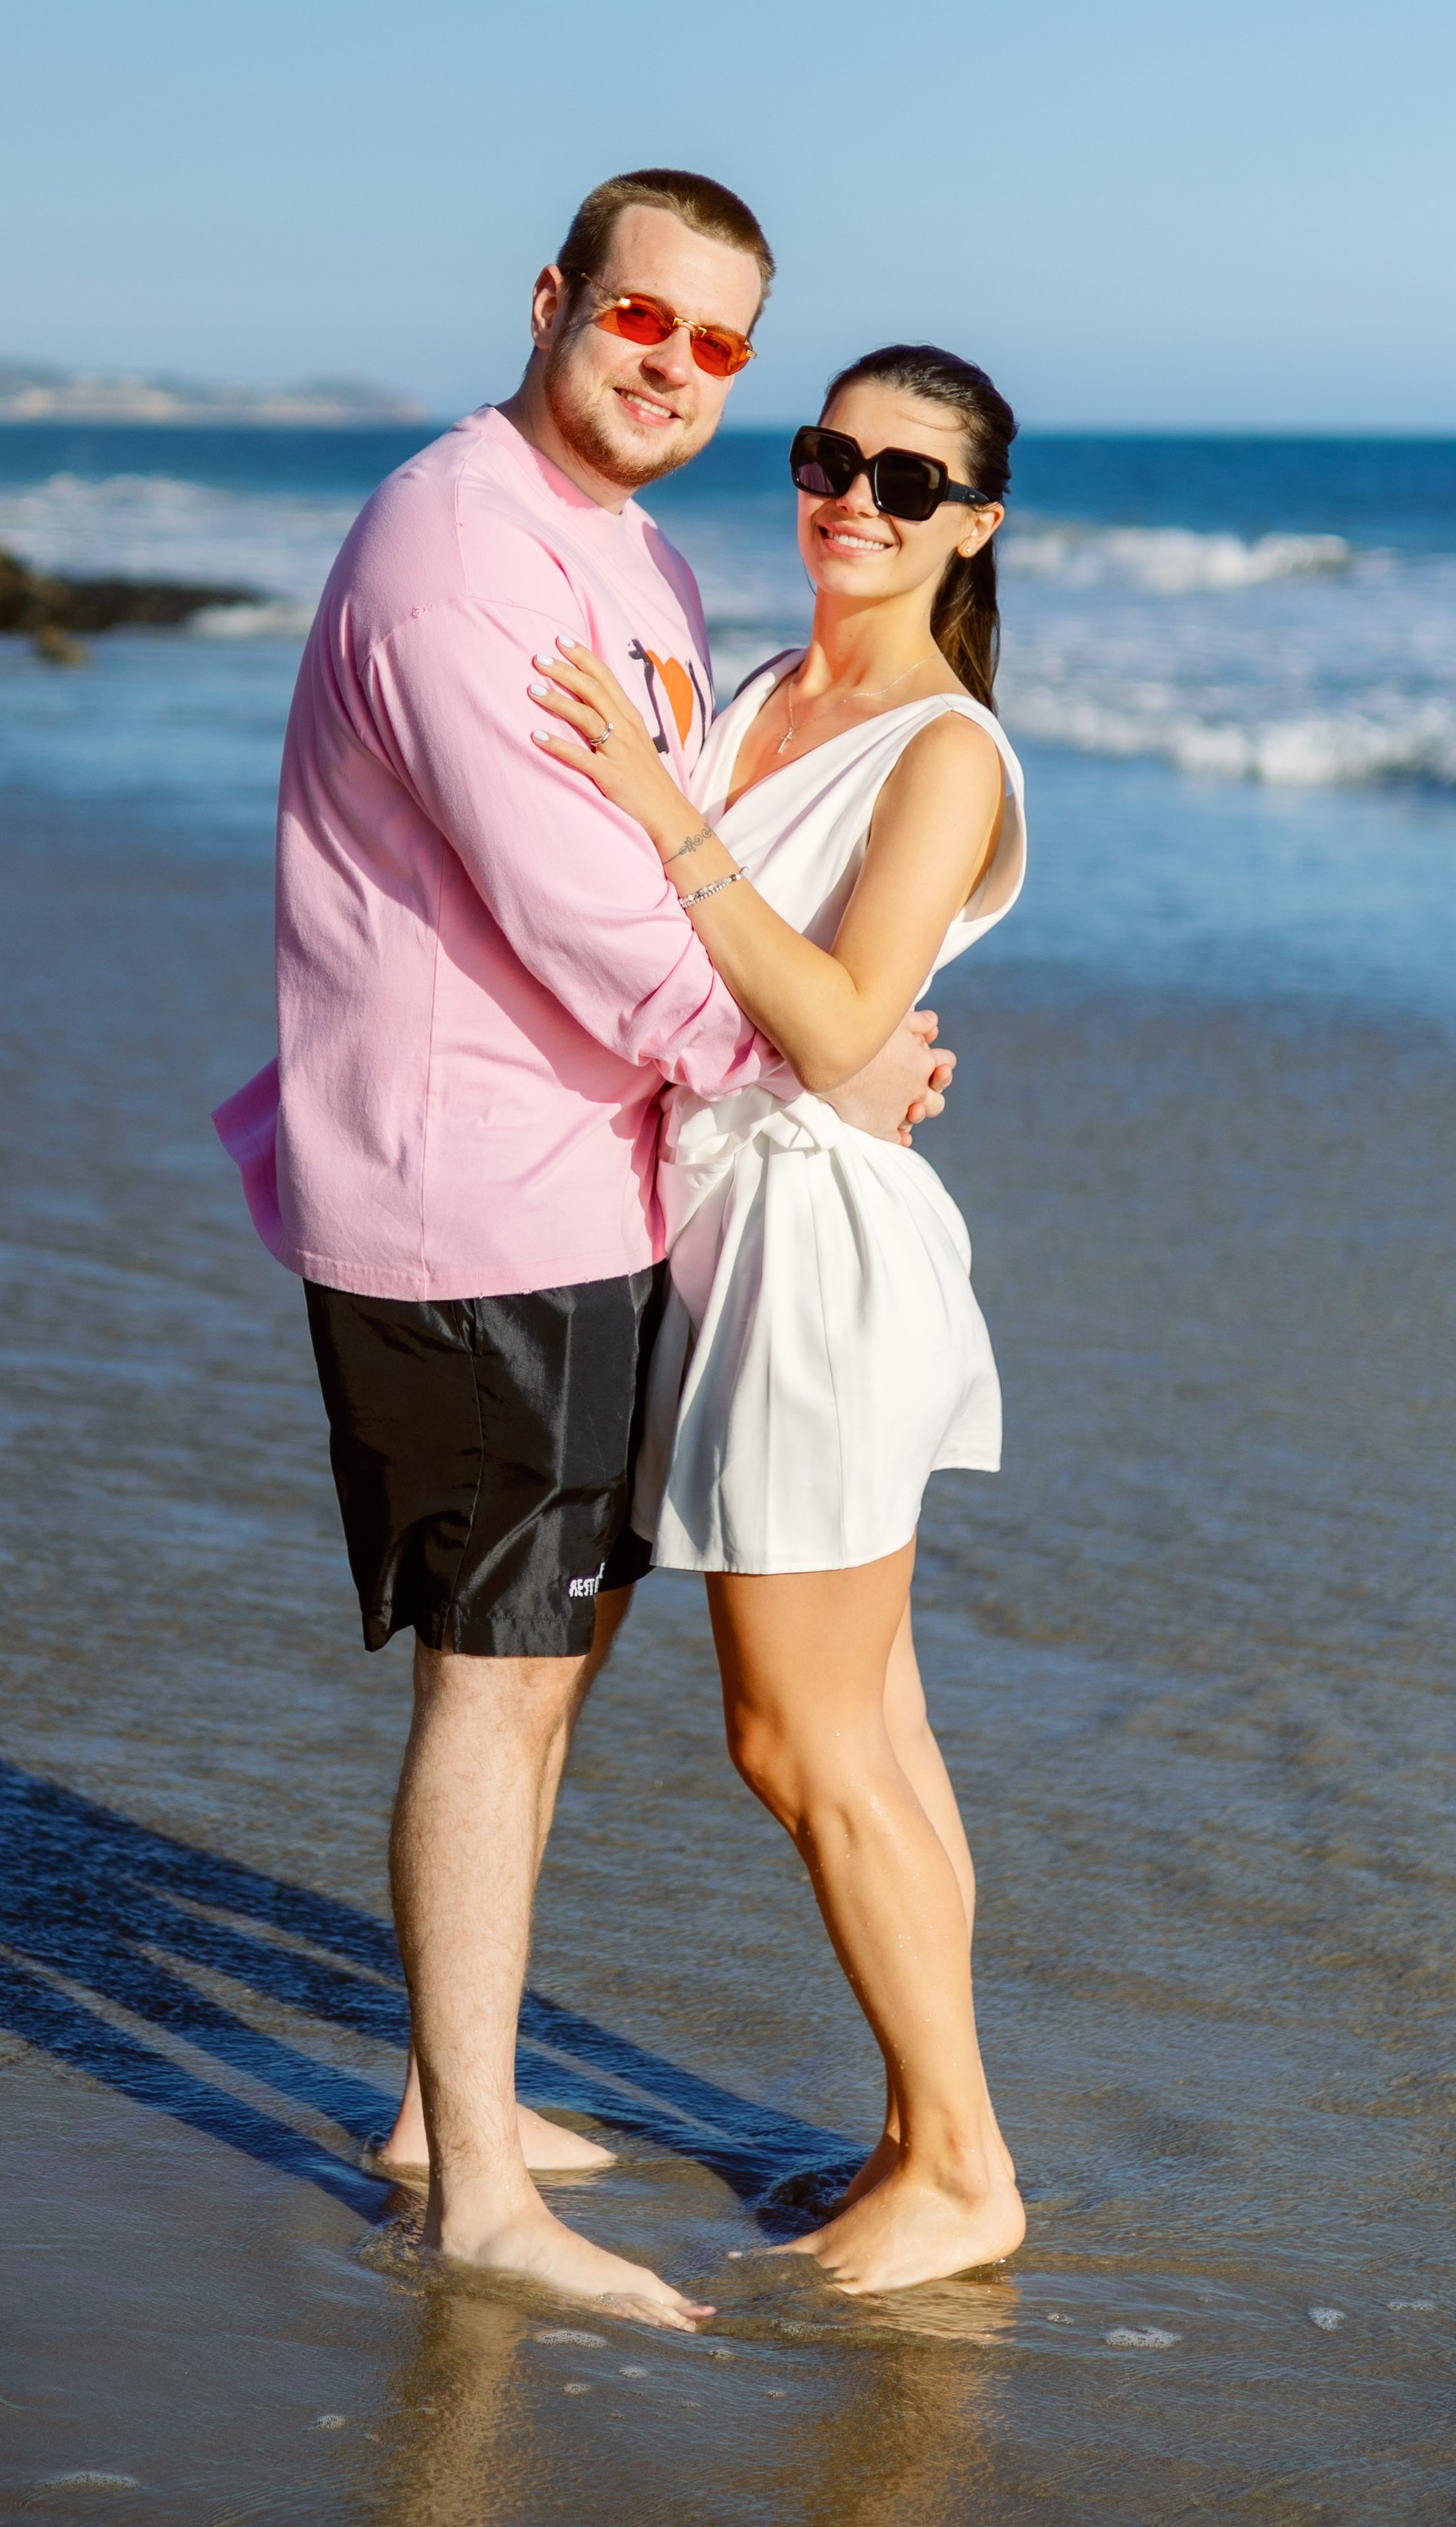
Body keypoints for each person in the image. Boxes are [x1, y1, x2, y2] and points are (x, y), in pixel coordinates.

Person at [212, 173, 955, 2325]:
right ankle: (471, 2201)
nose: (675, 368)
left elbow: (687, 849)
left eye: (725, 349)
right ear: (555, 301)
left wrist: (837, 1027)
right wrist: (827, 1049)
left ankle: (455, 2104)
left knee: (553, 1665)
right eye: (646, 318)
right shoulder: (457, 555)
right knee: (494, 1677)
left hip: (600, 1183)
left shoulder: (629, 548)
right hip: (470, 1200)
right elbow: (589, 916)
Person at [530, 341, 1030, 2293]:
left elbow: (830, 1043)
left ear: (970, 525)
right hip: (709, 1229)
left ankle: (966, 2165)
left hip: (813, 1262)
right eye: (832, 457)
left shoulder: (943, 747)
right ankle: (919, 2136)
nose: (854, 499)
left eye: (908, 484)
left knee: (796, 1735)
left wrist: (667, 811)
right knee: (874, 1738)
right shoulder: (757, 686)